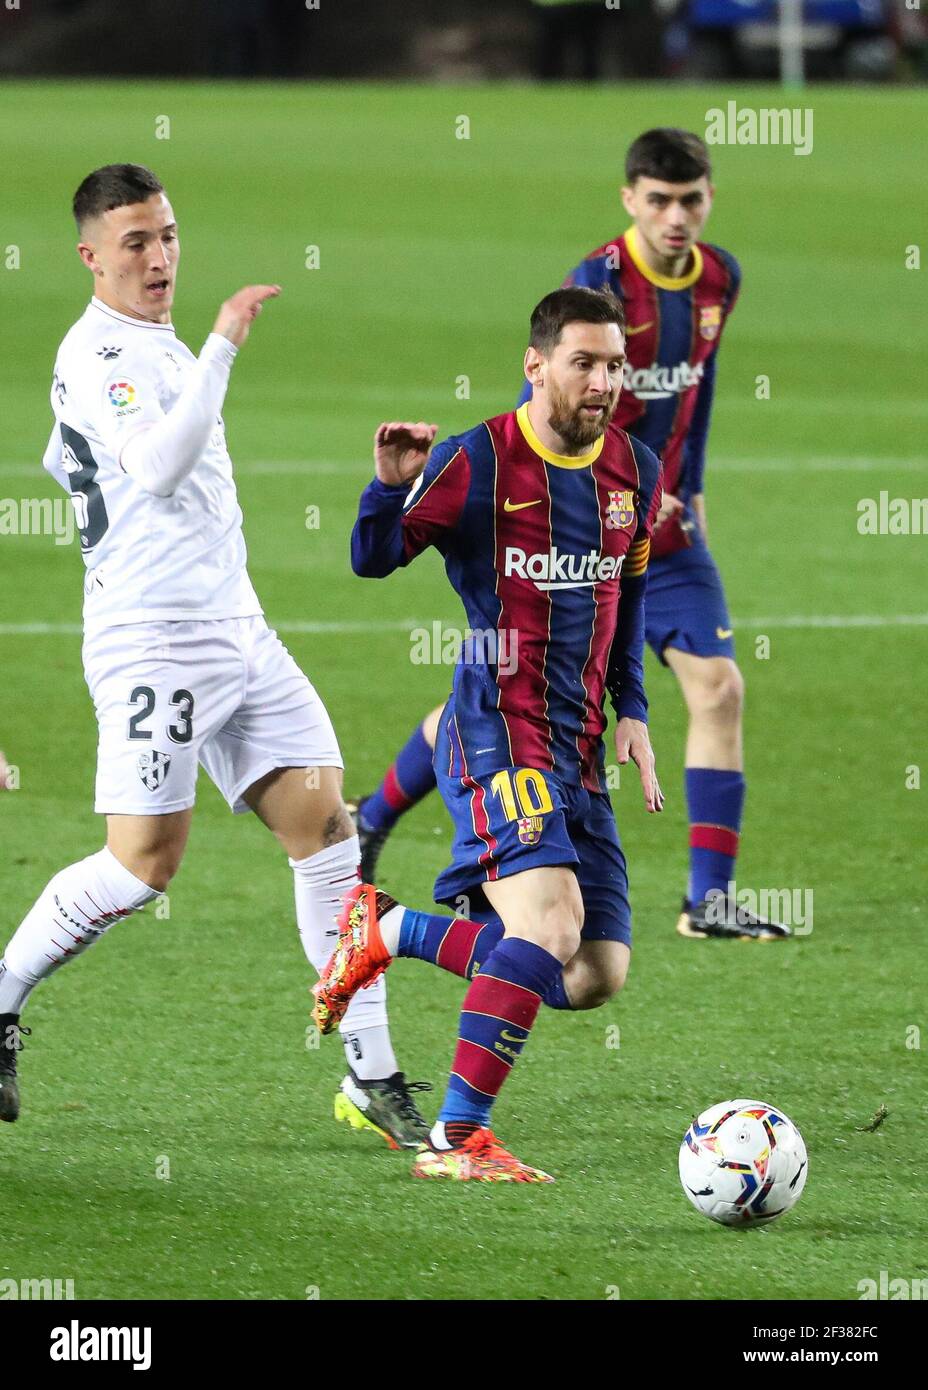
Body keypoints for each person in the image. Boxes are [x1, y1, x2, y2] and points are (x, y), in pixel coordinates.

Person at [0, 164, 430, 1148]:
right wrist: (224, 344)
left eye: (167, 235)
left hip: (236, 630)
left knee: (327, 833)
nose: (158, 257)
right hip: (152, 641)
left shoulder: (135, 346)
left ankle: (373, 1073)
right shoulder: (109, 349)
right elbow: (155, 465)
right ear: (90, 257)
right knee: (144, 863)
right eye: (134, 243)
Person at [352, 128, 789, 942]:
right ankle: (370, 818)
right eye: (658, 200)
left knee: (720, 687)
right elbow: (562, 400)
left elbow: (703, 380)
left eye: (691, 200)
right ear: (630, 199)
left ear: (709, 199)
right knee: (505, 684)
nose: (676, 217)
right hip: (582, 524)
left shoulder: (720, 277)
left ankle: (709, 898)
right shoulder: (598, 282)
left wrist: (686, 488)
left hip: (660, 523)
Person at [313, 287, 663, 1182]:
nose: (601, 382)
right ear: (535, 364)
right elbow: (373, 558)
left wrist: (634, 711)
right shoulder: (479, 462)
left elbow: (627, 606)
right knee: (546, 927)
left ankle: (387, 931)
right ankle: (456, 1138)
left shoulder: (635, 468)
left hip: (580, 747)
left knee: (591, 973)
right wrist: (388, 487)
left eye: (613, 366)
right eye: (583, 363)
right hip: (499, 732)